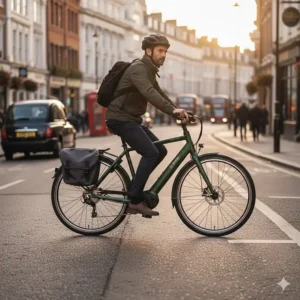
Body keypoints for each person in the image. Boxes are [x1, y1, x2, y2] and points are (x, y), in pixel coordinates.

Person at [105, 33, 189, 217]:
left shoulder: (149, 71)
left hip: (131, 119)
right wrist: (172, 111)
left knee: (161, 151)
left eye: (165, 51)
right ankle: (134, 200)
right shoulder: (138, 69)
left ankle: (135, 190)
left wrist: (177, 110)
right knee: (151, 153)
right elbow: (149, 92)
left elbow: (160, 93)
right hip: (120, 118)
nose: (163, 55)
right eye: (160, 51)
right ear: (148, 51)